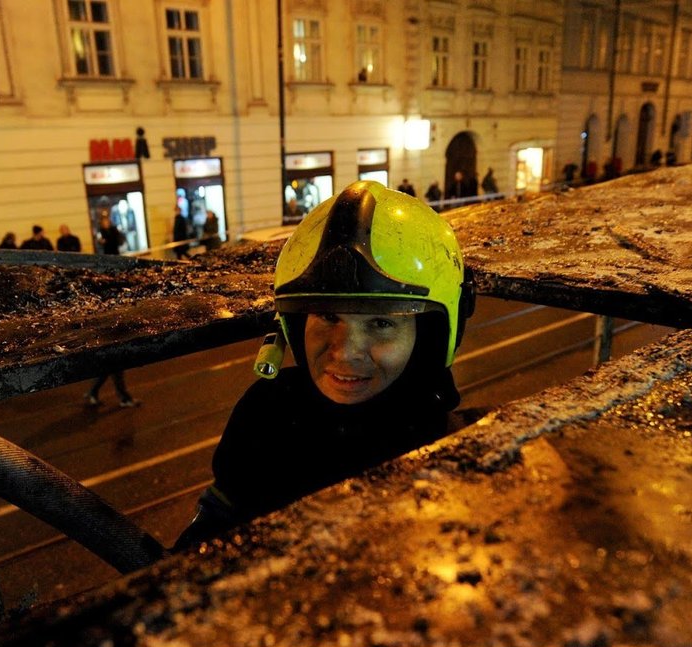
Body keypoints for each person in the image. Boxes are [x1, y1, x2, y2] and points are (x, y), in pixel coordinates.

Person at [174, 180, 476, 548]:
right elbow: (214, 528)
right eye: (328, 316)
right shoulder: (266, 417)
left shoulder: (451, 452)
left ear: (430, 337)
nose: (345, 352)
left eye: (380, 323)